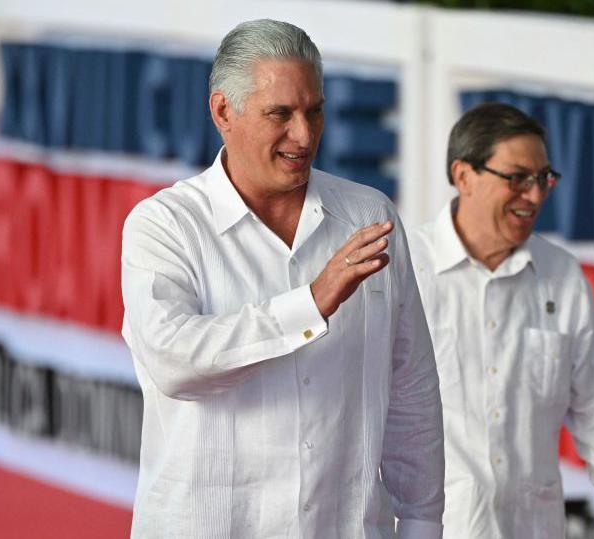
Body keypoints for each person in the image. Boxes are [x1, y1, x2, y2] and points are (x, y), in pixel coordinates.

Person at [121, 19, 444, 539]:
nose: (304, 134)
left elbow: (411, 389)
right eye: (281, 114)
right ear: (223, 111)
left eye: (314, 111)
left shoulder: (369, 216)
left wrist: (423, 523)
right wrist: (309, 305)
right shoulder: (164, 225)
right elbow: (173, 362)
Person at [409, 102, 594, 538]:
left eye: (543, 179)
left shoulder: (561, 276)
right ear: (463, 176)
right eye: (517, 178)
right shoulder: (403, 268)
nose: (535, 195)